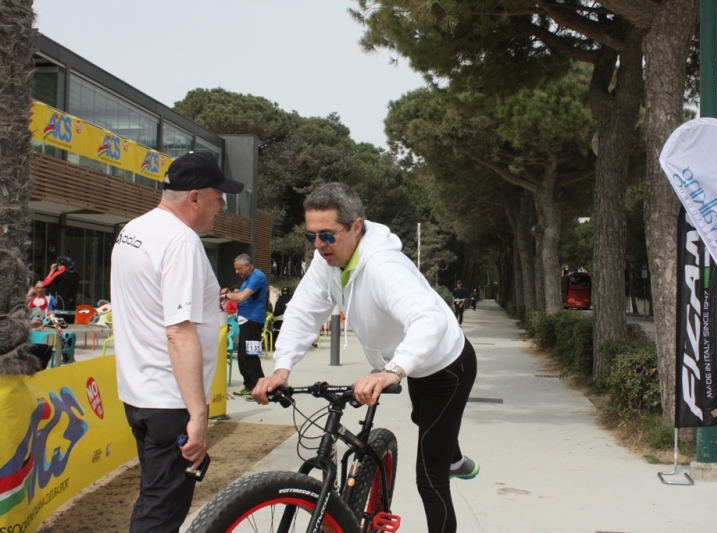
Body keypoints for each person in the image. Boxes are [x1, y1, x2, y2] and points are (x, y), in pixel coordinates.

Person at [251, 183, 479, 533]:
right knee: (423, 419)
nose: (318, 245)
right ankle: (451, 450)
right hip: (405, 359)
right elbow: (303, 313)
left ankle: (453, 460)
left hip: (445, 364)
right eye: (311, 236)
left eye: (327, 235)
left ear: (356, 226)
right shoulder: (326, 260)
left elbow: (429, 320)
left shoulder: (384, 266)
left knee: (430, 479)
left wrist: (393, 370)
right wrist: (281, 369)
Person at [111, 151, 244, 533]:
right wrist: (199, 415)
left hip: (139, 393)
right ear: (195, 197)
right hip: (170, 400)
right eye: (219, 197)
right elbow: (179, 332)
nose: (222, 205)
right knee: (161, 513)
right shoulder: (181, 241)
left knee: (153, 500)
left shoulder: (133, 230)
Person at [221, 254, 268, 399]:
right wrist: (229, 294)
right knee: (242, 356)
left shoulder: (257, 276)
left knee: (250, 355)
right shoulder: (247, 278)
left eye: (239, 269)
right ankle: (249, 385)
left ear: (248, 266)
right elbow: (239, 296)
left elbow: (241, 297)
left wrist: (227, 295)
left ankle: (260, 388)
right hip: (244, 319)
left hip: (253, 320)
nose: (237, 272)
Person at [42, 255, 79, 324]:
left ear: (59, 265)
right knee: (70, 329)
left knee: (60, 329)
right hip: (72, 309)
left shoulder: (59, 274)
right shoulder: (76, 274)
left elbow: (45, 284)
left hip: (61, 309)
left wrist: (51, 271)